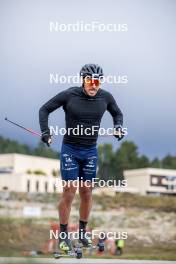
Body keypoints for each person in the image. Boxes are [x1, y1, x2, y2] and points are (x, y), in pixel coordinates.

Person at [39, 63, 124, 251]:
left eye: (98, 81)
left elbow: (117, 113)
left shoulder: (106, 97)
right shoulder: (69, 95)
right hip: (70, 149)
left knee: (86, 191)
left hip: (90, 151)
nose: (94, 85)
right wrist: (46, 132)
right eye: (90, 81)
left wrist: (118, 127)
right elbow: (44, 109)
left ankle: (83, 233)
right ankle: (63, 236)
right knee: (70, 190)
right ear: (83, 80)